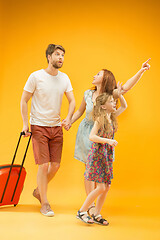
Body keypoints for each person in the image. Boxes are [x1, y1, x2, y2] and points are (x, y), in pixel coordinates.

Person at [69, 59, 150, 217]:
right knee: (89, 169)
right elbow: (79, 111)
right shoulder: (88, 93)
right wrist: (69, 122)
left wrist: (141, 70)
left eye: (98, 74)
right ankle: (89, 205)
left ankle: (90, 207)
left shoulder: (109, 96)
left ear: (105, 79)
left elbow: (125, 87)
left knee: (96, 170)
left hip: (102, 133)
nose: (94, 75)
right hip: (87, 132)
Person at [20, 44, 75, 217]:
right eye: (57, 54)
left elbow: (72, 101)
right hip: (39, 126)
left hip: (56, 127)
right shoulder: (36, 76)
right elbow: (24, 100)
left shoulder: (64, 78)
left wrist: (68, 117)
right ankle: (45, 203)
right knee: (44, 166)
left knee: (55, 166)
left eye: (63, 55)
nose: (61, 58)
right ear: (49, 57)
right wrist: (25, 124)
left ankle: (38, 191)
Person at [76, 85, 127, 225]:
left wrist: (120, 94)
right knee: (100, 187)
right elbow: (92, 137)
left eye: (113, 101)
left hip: (106, 155)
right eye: (111, 101)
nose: (114, 103)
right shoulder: (100, 119)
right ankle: (82, 211)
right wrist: (107, 141)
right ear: (103, 106)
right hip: (98, 155)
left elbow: (124, 105)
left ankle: (97, 214)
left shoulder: (112, 117)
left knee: (107, 186)